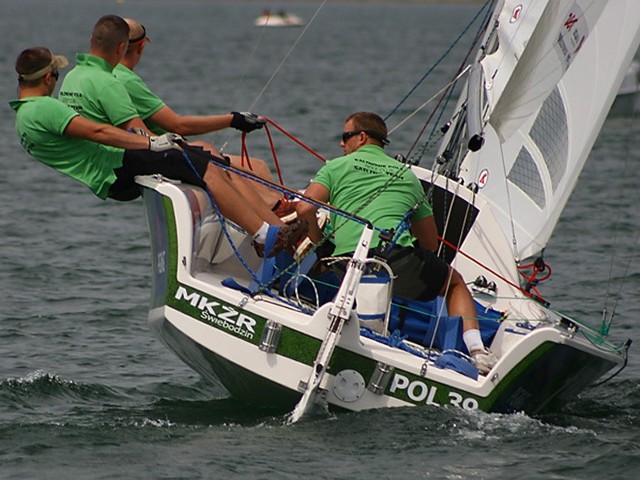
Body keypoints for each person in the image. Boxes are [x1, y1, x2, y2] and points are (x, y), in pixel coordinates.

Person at [10, 47, 307, 258]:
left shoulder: (23, 117)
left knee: (203, 156)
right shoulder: (44, 108)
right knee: (206, 167)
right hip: (115, 166)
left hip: (108, 174)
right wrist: (150, 143)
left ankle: (273, 227)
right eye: (56, 75)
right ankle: (265, 236)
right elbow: (97, 132)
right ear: (49, 78)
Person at [296, 112, 497, 373]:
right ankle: (477, 351)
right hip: (396, 264)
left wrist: (316, 236)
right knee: (454, 283)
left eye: (345, 137)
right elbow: (430, 244)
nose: (341, 144)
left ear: (362, 137)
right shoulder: (408, 177)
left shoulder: (336, 166)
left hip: (345, 264)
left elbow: (303, 209)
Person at [58, 15, 282, 214]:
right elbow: (178, 126)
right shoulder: (120, 79)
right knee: (217, 162)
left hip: (116, 162)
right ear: (140, 46)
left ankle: (276, 214)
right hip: (136, 159)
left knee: (257, 165)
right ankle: (275, 218)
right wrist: (234, 119)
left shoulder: (90, 75)